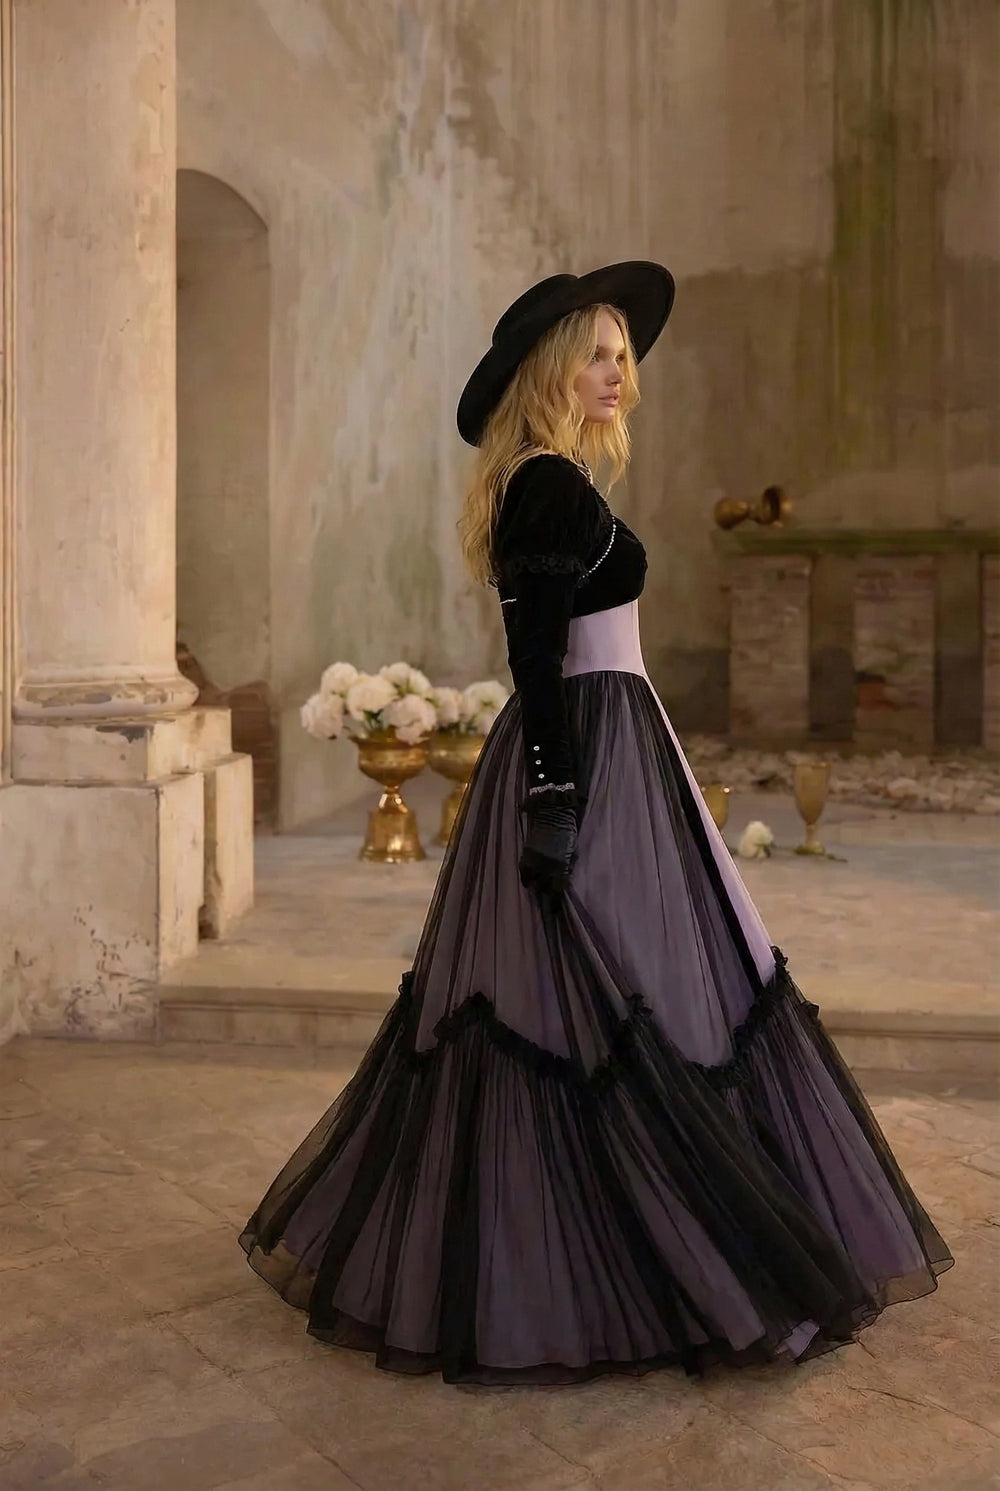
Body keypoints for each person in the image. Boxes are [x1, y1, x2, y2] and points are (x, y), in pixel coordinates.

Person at [239, 262, 952, 1385]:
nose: (619, 375)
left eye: (623, 356)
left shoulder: (556, 477)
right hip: (587, 745)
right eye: (597, 357)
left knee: (627, 994)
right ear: (550, 372)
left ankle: (622, 1263)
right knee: (604, 997)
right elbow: (537, 658)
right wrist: (557, 799)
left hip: (613, 737)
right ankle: (618, 1279)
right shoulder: (545, 486)